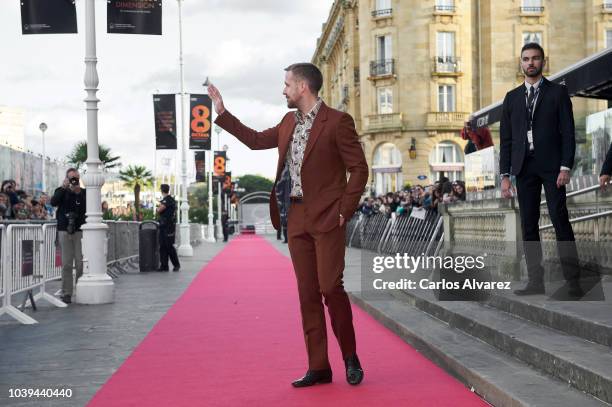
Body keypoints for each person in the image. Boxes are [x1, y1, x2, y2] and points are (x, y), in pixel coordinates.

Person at [208, 62, 368, 388]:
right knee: (307, 293)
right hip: (295, 218)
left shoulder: (338, 122)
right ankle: (319, 366)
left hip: (327, 217)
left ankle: (350, 356)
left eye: (286, 85)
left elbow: (359, 169)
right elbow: (254, 140)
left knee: (329, 287)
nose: (283, 90)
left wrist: (344, 210)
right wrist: (223, 113)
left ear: (303, 87)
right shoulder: (287, 122)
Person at [500, 42, 581, 298]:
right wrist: (505, 175)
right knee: (529, 226)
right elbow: (506, 140)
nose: (530, 63)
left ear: (543, 62)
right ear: (521, 62)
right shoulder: (511, 98)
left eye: (535, 58)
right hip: (524, 168)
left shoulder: (558, 93)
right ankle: (536, 281)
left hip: (553, 167)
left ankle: (574, 282)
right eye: (526, 59)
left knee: (560, 221)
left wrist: (566, 166)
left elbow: (568, 133)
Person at [51, 168, 86, 304]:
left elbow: (86, 208)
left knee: (80, 263)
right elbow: (53, 202)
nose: (74, 181)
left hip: (79, 230)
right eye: (72, 178)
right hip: (64, 230)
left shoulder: (83, 193)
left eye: (76, 178)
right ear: (67, 178)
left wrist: (78, 194)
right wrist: (64, 188)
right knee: (66, 263)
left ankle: (80, 289)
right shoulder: (61, 191)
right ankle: (66, 293)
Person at [156, 184, 180, 272]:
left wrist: (157, 208)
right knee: (162, 246)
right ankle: (164, 266)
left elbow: (159, 210)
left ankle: (176, 265)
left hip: (168, 226)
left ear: (161, 190)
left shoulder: (168, 200)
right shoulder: (169, 200)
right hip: (164, 226)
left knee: (169, 246)